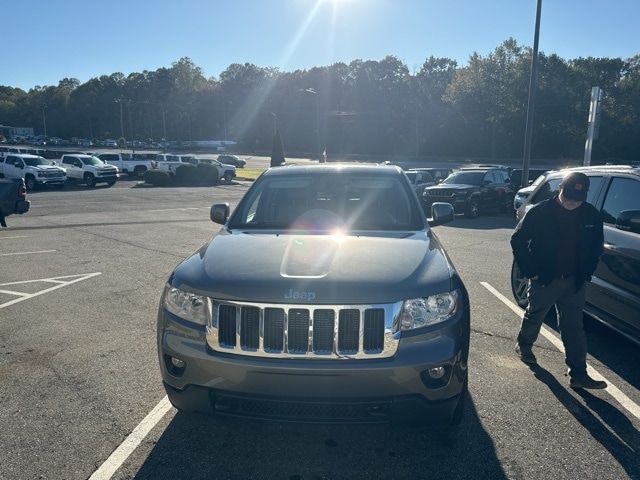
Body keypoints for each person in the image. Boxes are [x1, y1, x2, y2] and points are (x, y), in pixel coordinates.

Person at [511, 172, 606, 389]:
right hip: (544, 279)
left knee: (574, 327)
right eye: (568, 197)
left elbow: (596, 247)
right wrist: (530, 271)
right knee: (535, 315)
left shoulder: (591, 215)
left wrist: (587, 272)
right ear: (560, 189)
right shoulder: (540, 212)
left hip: (575, 281)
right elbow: (518, 239)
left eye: (577, 199)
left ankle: (578, 374)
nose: (572, 203)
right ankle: (524, 345)